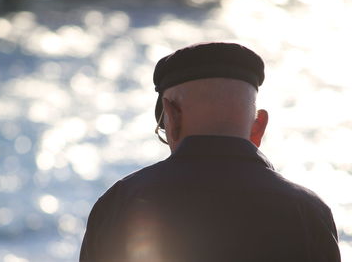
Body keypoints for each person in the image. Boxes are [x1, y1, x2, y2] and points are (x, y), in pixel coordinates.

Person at [79, 42, 341, 262]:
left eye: (162, 126)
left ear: (171, 114)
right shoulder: (309, 212)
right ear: (258, 126)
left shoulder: (119, 203)